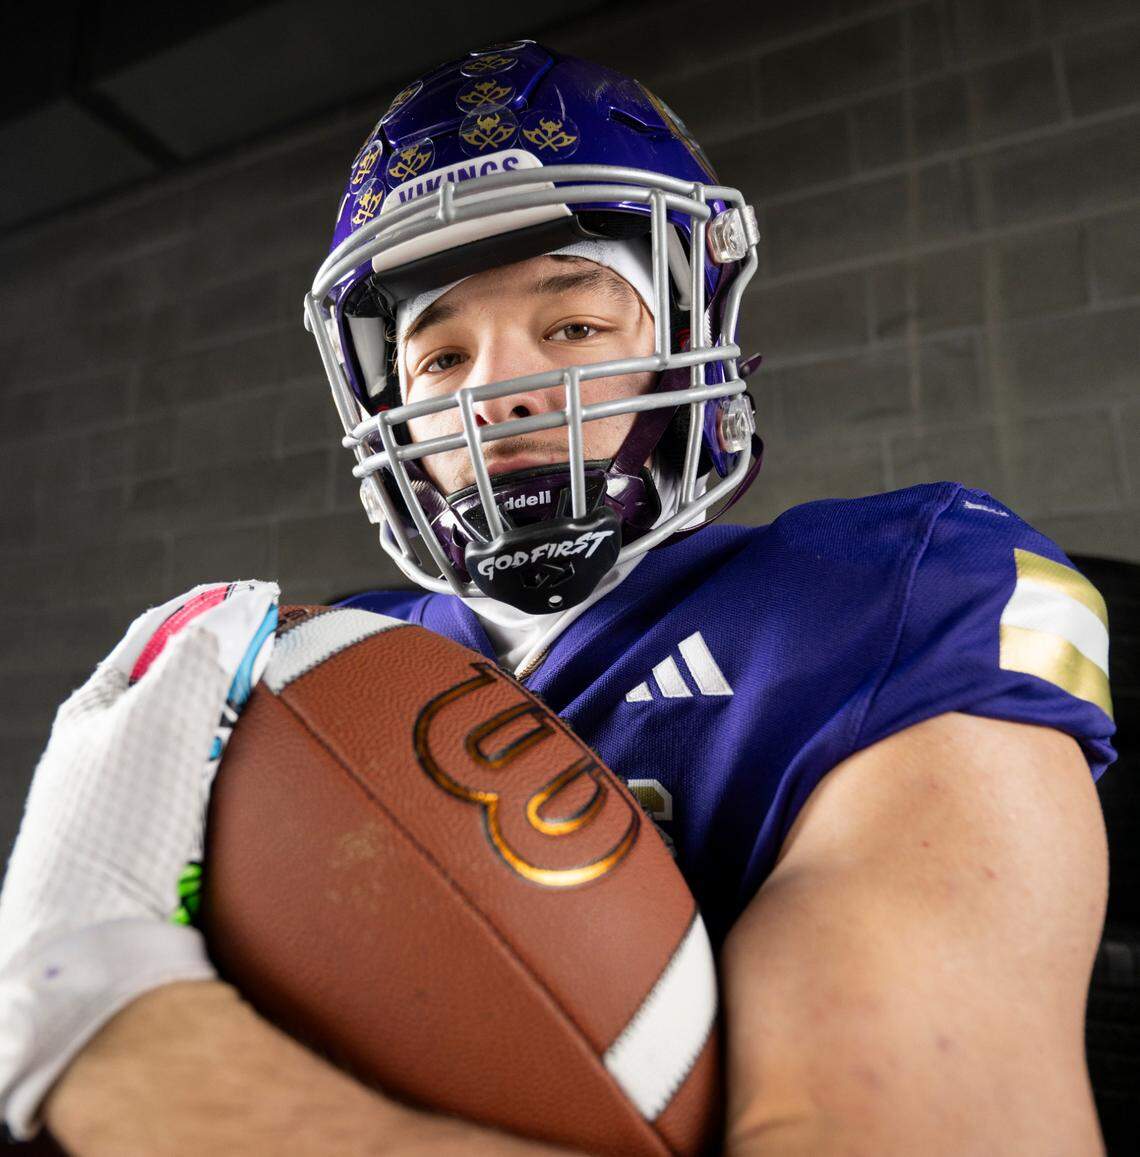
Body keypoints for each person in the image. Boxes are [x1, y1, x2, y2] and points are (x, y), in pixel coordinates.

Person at [0, 41, 1116, 1155]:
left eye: (573, 325)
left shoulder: (881, 598)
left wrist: (123, 1040)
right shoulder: (307, 668)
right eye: (438, 358)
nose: (497, 392)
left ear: (690, 335)